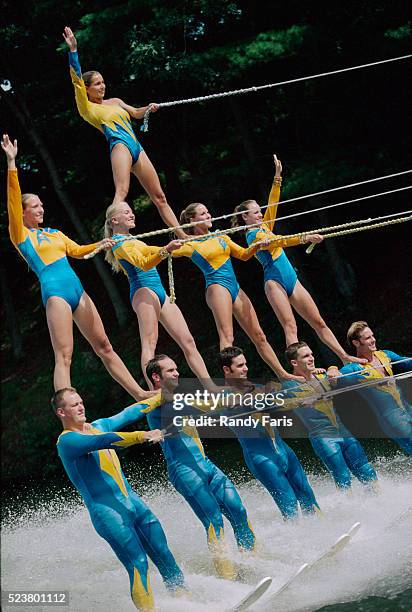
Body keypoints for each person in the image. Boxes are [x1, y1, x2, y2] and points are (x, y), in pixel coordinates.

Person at [2, 134, 150, 400]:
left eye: (41, 204)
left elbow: (79, 252)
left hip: (77, 290)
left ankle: (140, 394)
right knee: (64, 356)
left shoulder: (55, 234)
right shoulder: (21, 236)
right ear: (23, 213)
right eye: (35, 206)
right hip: (55, 293)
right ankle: (67, 413)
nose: (41, 208)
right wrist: (12, 164)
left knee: (104, 346)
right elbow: (12, 201)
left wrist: (101, 243)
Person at [110, 353, 256, 580]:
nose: (177, 373)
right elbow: (196, 407)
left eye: (176, 369)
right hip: (184, 470)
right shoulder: (159, 400)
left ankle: (253, 564)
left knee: (238, 511)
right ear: (156, 377)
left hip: (205, 465)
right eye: (170, 371)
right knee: (214, 521)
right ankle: (229, 579)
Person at [54, 387, 185, 611]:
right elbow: (103, 441)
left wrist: (160, 398)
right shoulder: (67, 442)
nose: (80, 406)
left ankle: (186, 603)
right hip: (108, 513)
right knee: (138, 564)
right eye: (74, 404)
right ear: (61, 412)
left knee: (164, 554)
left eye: (81, 402)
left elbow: (129, 413)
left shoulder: (97, 426)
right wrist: (142, 435)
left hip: (134, 503)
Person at [232, 155, 365, 365]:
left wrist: (277, 177)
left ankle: (345, 357)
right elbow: (281, 242)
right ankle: (300, 369)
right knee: (290, 326)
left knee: (318, 321)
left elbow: (273, 203)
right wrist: (305, 238)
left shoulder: (265, 226)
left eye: (259, 211)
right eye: (255, 212)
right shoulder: (253, 236)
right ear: (245, 218)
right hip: (274, 282)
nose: (260, 215)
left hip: (291, 279)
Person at [62, 26, 182, 233]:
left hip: (136, 147)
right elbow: (76, 80)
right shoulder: (87, 108)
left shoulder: (115, 101)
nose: (102, 86)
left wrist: (149, 108)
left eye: (103, 82)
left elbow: (136, 112)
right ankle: (114, 235)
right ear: (87, 88)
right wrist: (73, 50)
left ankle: (183, 235)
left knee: (159, 196)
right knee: (122, 192)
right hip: (120, 146)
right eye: (97, 84)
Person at [172, 203, 301, 382]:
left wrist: (256, 246)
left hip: (235, 288)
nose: (209, 215)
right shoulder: (190, 243)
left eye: (208, 211)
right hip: (217, 287)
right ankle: (232, 384)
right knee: (227, 337)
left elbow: (243, 254)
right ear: (192, 220)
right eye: (203, 213)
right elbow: (167, 251)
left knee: (259, 335)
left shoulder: (221, 236)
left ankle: (283, 374)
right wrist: (166, 249)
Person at [104, 201, 213, 387]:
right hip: (143, 291)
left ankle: (211, 386)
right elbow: (144, 263)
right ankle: (153, 391)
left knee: (188, 340)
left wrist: (181, 245)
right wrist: (166, 250)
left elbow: (152, 251)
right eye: (126, 212)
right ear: (115, 220)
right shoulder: (119, 245)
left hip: (159, 292)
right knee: (149, 344)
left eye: (131, 211)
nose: (132, 214)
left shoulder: (134, 240)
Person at [219, 346, 321, 519]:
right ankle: (298, 542)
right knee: (289, 505)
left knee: (307, 496)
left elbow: (279, 398)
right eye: (240, 366)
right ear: (227, 370)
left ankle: (323, 531)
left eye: (245, 364)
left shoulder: (257, 388)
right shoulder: (224, 397)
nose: (245, 369)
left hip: (284, 450)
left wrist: (298, 400)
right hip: (262, 458)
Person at [284, 341, 378, 490]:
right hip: (324, 439)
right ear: (294, 362)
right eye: (306, 356)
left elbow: (346, 373)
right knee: (343, 477)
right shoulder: (289, 385)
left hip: (344, 432)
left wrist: (333, 368)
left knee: (366, 470)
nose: (311, 358)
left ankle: (379, 502)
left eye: (312, 354)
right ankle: (347, 510)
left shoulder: (322, 376)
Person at [335, 321, 412, 455]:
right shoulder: (355, 368)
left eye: (372, 336)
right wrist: (332, 369)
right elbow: (333, 379)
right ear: (356, 343)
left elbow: (407, 362)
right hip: (394, 421)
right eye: (368, 338)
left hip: (408, 410)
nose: (373, 340)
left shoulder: (385, 355)